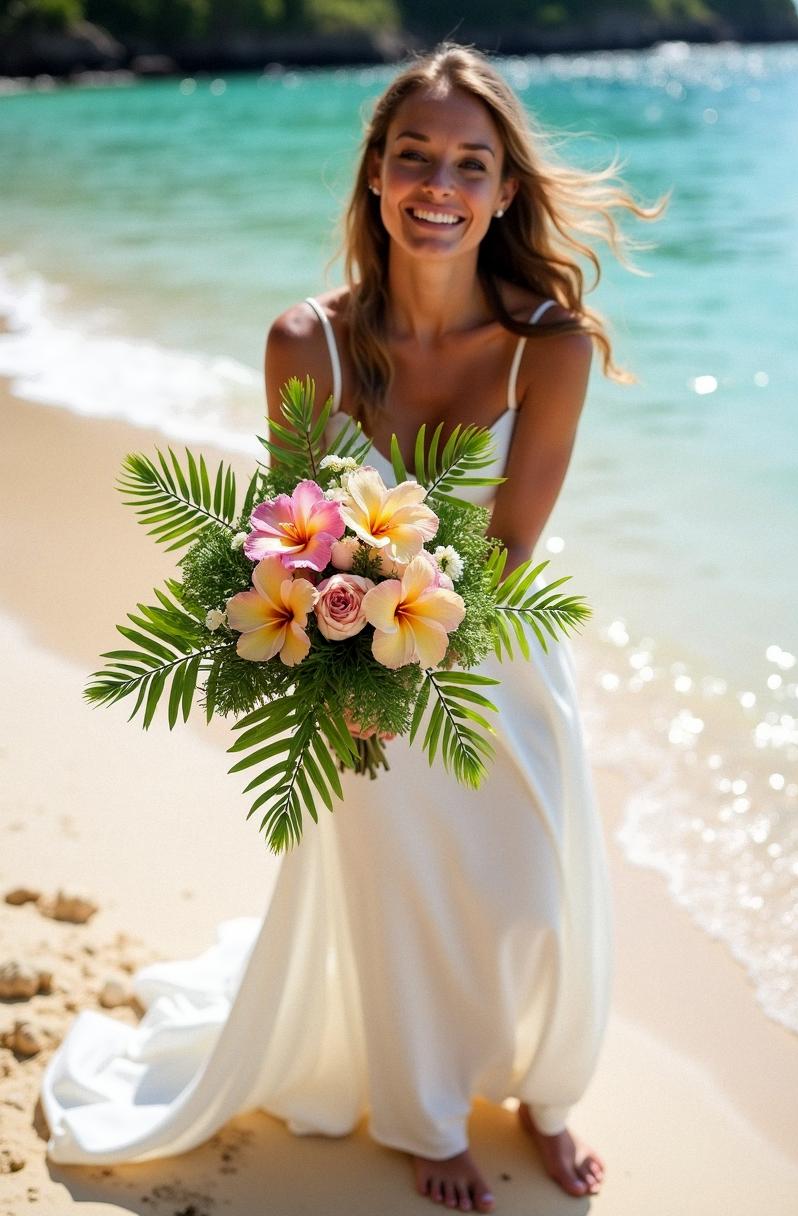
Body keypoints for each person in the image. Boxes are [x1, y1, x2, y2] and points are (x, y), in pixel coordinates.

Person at [42, 42, 662, 1214]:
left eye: (470, 164)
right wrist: (340, 681)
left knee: (530, 896)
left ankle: (544, 1085)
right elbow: (291, 528)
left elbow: (508, 546)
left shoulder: (552, 346)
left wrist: (400, 658)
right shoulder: (305, 341)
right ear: (375, 174)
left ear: (505, 192)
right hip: (350, 672)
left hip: (496, 659)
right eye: (414, 155)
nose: (439, 185)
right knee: (398, 897)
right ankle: (424, 1117)